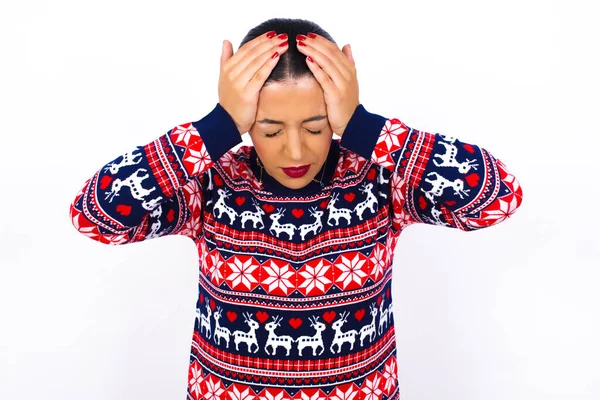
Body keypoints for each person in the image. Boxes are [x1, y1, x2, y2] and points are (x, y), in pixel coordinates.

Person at [69, 17, 523, 400]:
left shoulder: (380, 180)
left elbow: (498, 197)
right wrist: (214, 128)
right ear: (245, 124)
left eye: (316, 125)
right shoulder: (210, 183)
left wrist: (367, 127)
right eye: (268, 130)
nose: (294, 150)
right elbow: (95, 215)